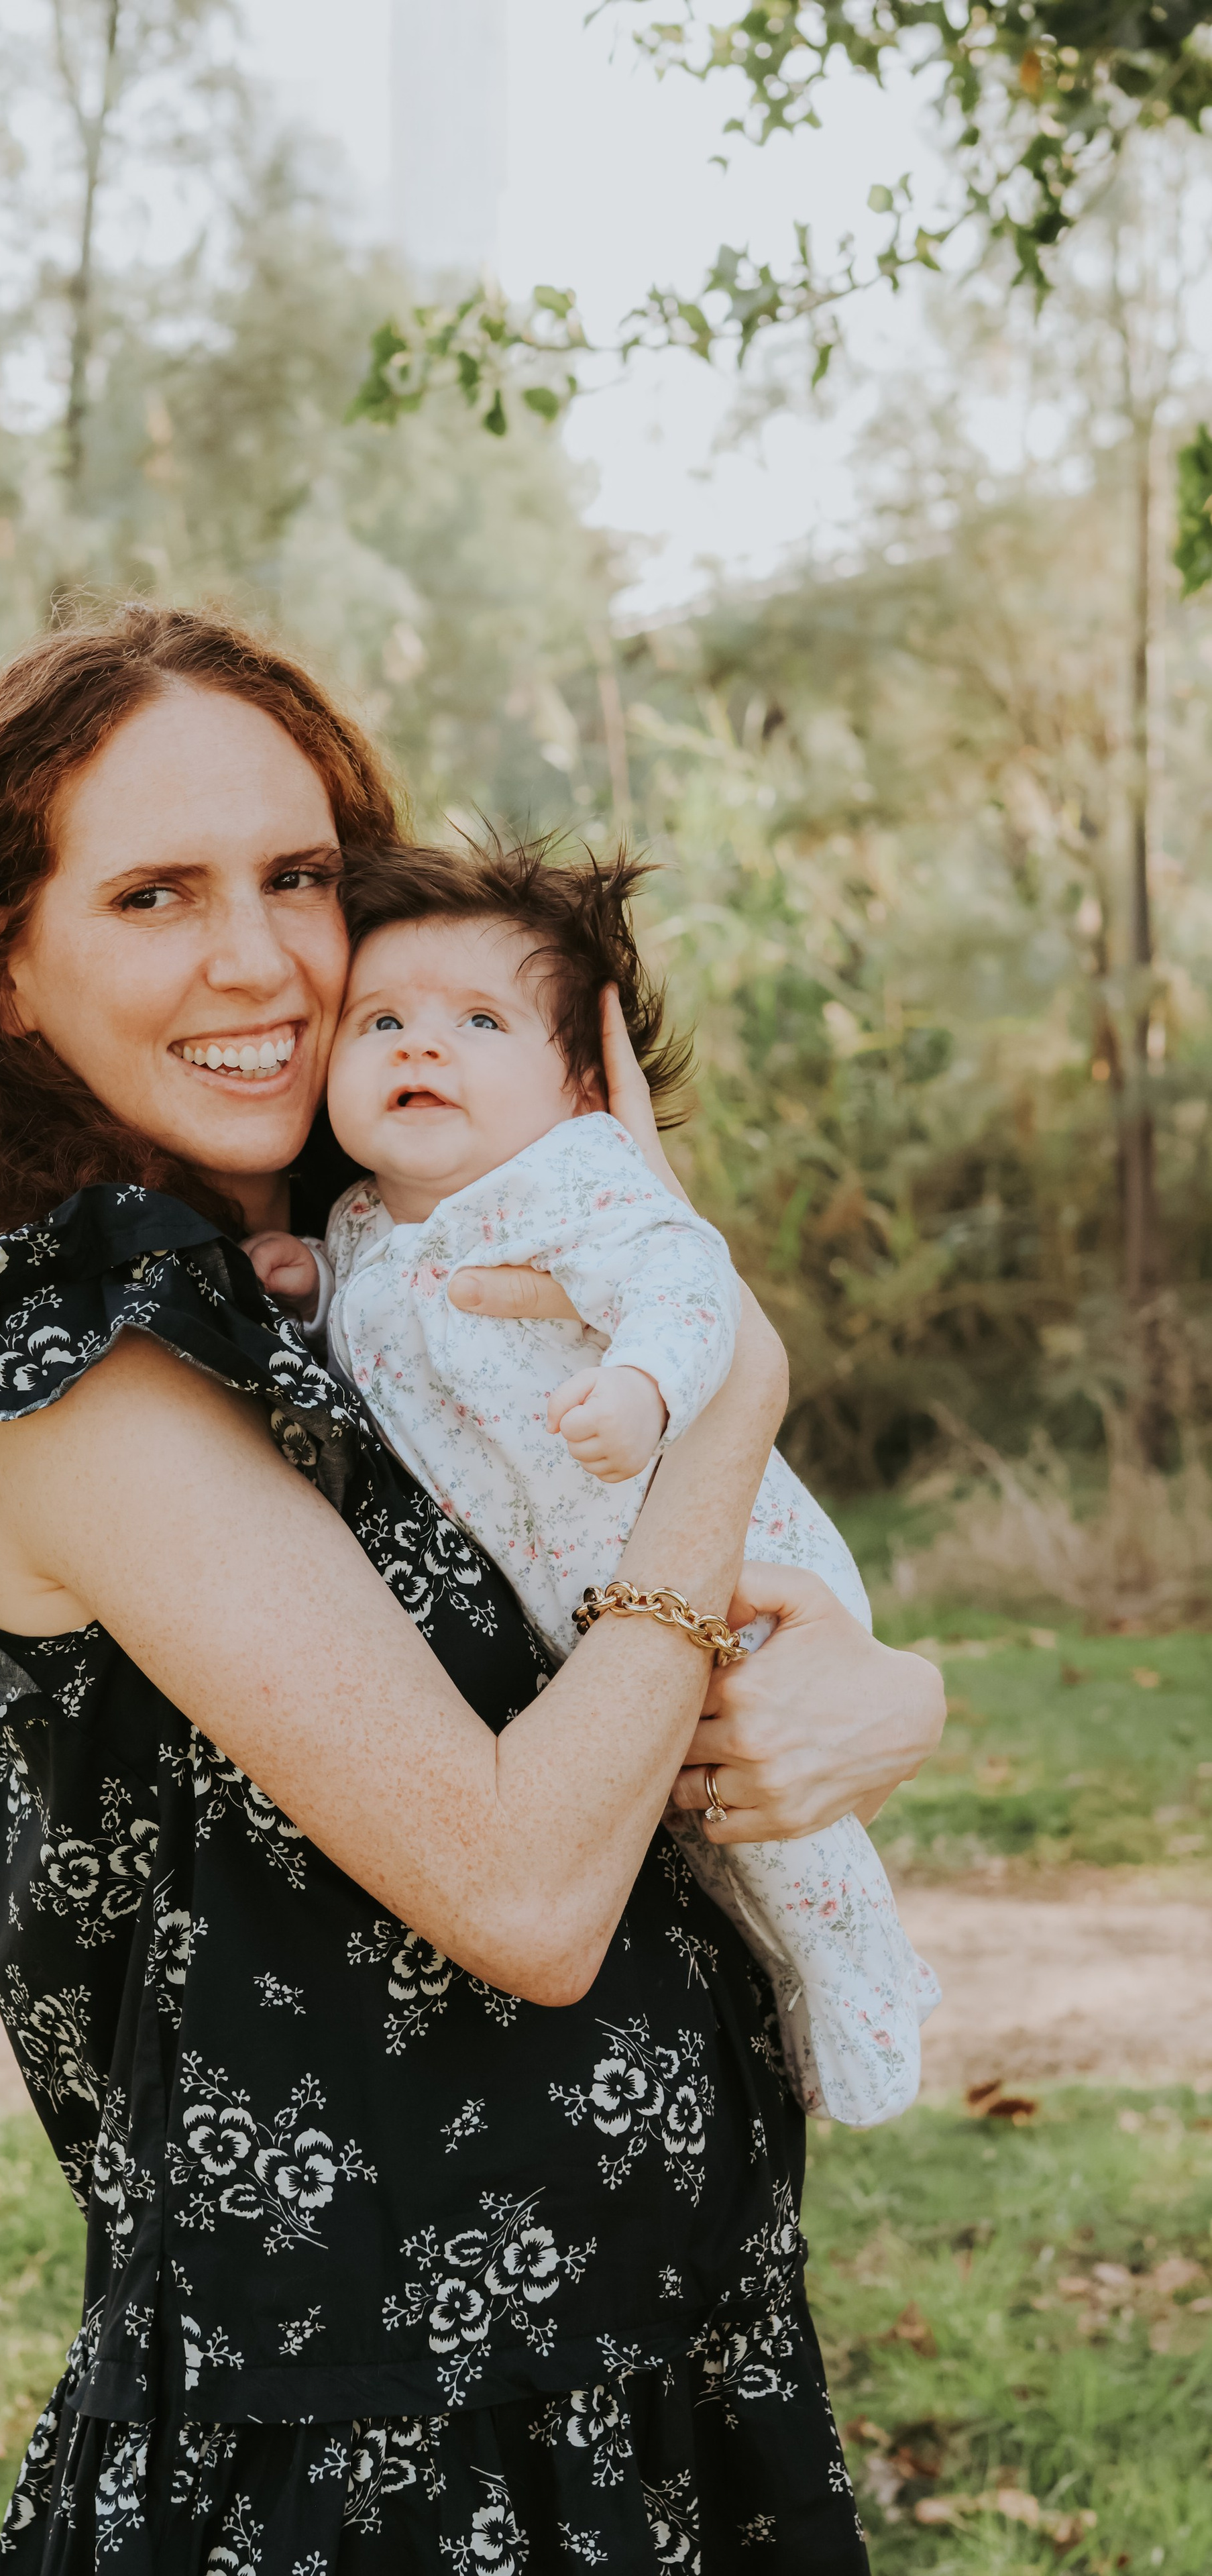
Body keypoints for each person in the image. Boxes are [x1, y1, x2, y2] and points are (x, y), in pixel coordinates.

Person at [0, 604, 944, 2575]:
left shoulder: (363, 1287)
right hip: (371, 2476)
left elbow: (635, 1643)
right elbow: (523, 1891)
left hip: (655, 2383)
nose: (263, 962)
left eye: (298, 876)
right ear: (5, 965)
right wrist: (729, 1380)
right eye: (153, 893)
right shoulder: (69, 1372)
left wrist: (892, 1693)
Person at [243, 835, 938, 2130]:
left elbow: (682, 1279)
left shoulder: (572, 1182)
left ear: (574, 1082)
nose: (419, 1047)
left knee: (779, 1831)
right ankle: (785, 2022)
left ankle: (866, 1999)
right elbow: (370, 1335)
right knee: (689, 1833)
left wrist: (646, 1387)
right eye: (381, 1020)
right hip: (590, 1603)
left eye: (478, 1021)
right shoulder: (354, 1225)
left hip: (719, 1558)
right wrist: (300, 1289)